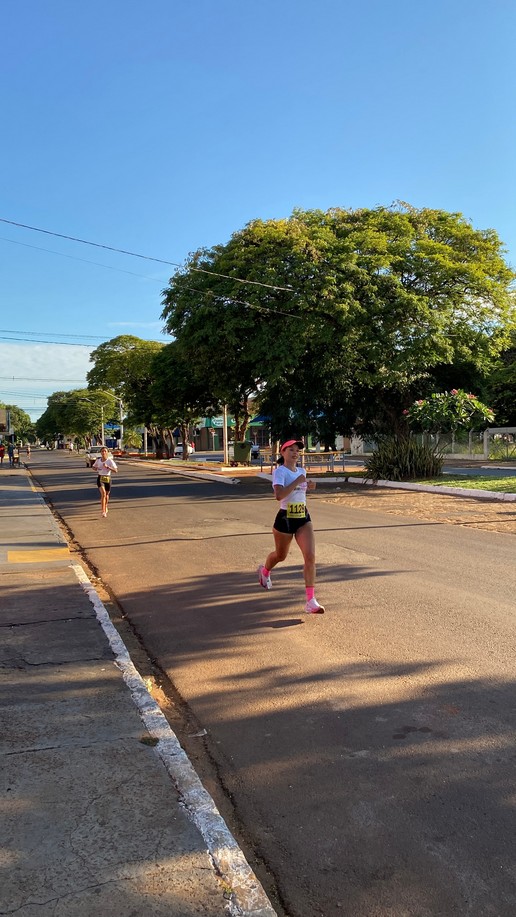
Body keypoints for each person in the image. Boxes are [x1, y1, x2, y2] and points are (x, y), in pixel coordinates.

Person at [257, 439, 325, 614]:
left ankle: (311, 601)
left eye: (297, 451)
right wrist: (298, 482)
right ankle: (265, 571)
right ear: (283, 453)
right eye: (291, 450)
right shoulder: (280, 472)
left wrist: (309, 486)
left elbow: (300, 492)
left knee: (310, 556)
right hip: (285, 518)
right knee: (281, 556)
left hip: (303, 516)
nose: (295, 453)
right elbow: (279, 495)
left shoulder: (301, 471)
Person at [91, 446, 118, 517]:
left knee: (107, 494)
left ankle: (106, 506)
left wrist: (108, 467)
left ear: (107, 453)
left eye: (105, 451)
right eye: (102, 451)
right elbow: (93, 467)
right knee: (103, 493)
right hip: (100, 478)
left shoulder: (110, 461)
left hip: (108, 478)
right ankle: (103, 511)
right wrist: (95, 468)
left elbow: (115, 470)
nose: (103, 452)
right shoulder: (98, 460)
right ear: (100, 452)